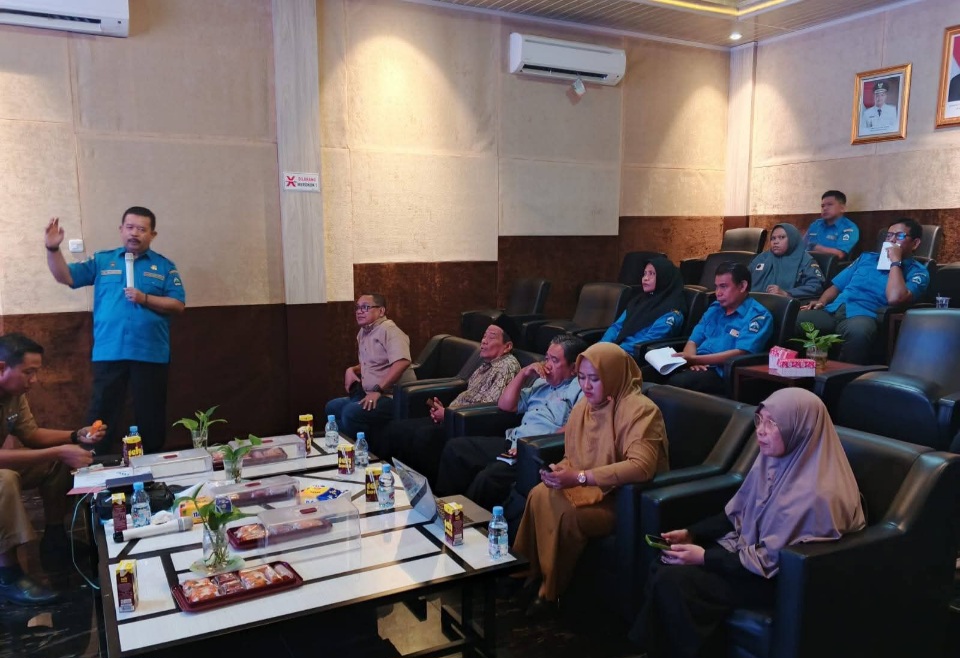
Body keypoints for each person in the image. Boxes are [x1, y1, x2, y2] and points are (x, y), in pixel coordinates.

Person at [629, 388, 865, 658]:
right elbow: (738, 513)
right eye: (759, 420)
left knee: (675, 580)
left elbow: (774, 561)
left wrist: (705, 557)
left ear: (800, 428)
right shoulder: (773, 460)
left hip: (780, 578)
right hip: (751, 558)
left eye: (772, 423)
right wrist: (692, 534)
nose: (760, 431)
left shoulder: (819, 494)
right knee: (665, 563)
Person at [515, 342, 668, 617]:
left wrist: (580, 477)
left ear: (613, 375)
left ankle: (551, 591)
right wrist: (560, 471)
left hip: (621, 500)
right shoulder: (584, 407)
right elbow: (574, 455)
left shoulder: (640, 410)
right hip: (587, 488)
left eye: (594, 379)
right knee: (539, 494)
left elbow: (641, 467)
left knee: (567, 515)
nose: (586, 386)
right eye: (582, 378)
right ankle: (529, 573)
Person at [44, 209, 185, 453]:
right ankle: (96, 461)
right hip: (110, 350)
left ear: (152, 234)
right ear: (121, 230)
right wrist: (52, 248)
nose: (134, 233)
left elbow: (178, 304)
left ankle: (151, 462)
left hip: (150, 352)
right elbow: (65, 277)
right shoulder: (102, 260)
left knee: (151, 414)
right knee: (102, 410)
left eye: (141, 229)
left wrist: (144, 298)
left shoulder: (164, 266)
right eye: (130, 227)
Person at [0, 334, 107, 605]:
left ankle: (55, 540)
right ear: (2, 368)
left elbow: (31, 434)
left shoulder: (14, 395)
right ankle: (8, 574)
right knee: (5, 480)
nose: (34, 380)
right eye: (28, 372)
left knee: (58, 462)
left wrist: (75, 435)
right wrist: (59, 450)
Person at [435, 334, 587, 510]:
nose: (548, 365)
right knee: (456, 449)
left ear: (574, 368)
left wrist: (530, 445)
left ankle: (467, 522)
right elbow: (505, 405)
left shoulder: (580, 390)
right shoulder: (541, 383)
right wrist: (523, 374)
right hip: (513, 441)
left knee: (487, 479)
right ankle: (443, 512)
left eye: (555, 360)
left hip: (534, 453)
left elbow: (574, 428)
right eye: (546, 358)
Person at [379, 320, 520, 483]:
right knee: (398, 428)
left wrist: (449, 415)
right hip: (455, 416)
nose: (484, 341)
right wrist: (445, 410)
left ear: (507, 346)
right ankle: (391, 480)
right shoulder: (486, 364)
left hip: (468, 423)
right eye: (484, 336)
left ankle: (423, 488)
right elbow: (470, 394)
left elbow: (491, 405)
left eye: (491, 337)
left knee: (422, 436)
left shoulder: (507, 366)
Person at [796, 218, 930, 365]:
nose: (891, 240)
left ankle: (843, 377)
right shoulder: (867, 258)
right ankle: (792, 371)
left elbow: (895, 298)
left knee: (858, 333)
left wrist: (895, 262)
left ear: (915, 243)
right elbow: (837, 286)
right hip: (834, 309)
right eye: (889, 235)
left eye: (899, 236)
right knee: (795, 319)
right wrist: (821, 301)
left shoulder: (918, 272)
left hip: (863, 315)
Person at [663, 262, 773, 395]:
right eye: (716, 287)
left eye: (724, 286)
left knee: (676, 382)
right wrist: (691, 360)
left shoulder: (757, 315)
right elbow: (693, 341)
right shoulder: (715, 308)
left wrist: (694, 360)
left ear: (742, 286)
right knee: (649, 373)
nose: (718, 293)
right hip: (697, 364)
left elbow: (741, 353)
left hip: (721, 372)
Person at [325, 293, 414, 445]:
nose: (359, 311)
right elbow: (373, 362)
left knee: (350, 414)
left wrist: (378, 391)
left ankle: (366, 452)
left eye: (365, 307)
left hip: (392, 396)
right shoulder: (364, 332)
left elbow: (402, 362)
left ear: (381, 311)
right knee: (332, 407)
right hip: (368, 392)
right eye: (357, 308)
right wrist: (352, 370)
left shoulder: (390, 331)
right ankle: (343, 450)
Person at [599, 257, 685, 354]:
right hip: (615, 350)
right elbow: (616, 327)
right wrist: (602, 346)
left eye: (652, 274)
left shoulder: (672, 311)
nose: (645, 278)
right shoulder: (637, 301)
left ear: (664, 277)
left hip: (633, 356)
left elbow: (650, 341)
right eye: (644, 273)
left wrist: (613, 351)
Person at [749, 223, 824, 300]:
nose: (775, 242)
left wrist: (787, 293)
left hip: (784, 304)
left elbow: (815, 286)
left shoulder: (805, 260)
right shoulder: (763, 257)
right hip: (751, 302)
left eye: (781, 237)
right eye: (773, 238)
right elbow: (746, 278)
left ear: (792, 239)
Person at [804, 190, 859, 259]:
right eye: (822, 206)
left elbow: (839, 254)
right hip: (805, 262)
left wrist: (814, 247)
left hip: (828, 264)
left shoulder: (849, 228)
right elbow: (801, 245)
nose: (825, 208)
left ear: (842, 208)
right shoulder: (815, 225)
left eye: (830, 204)